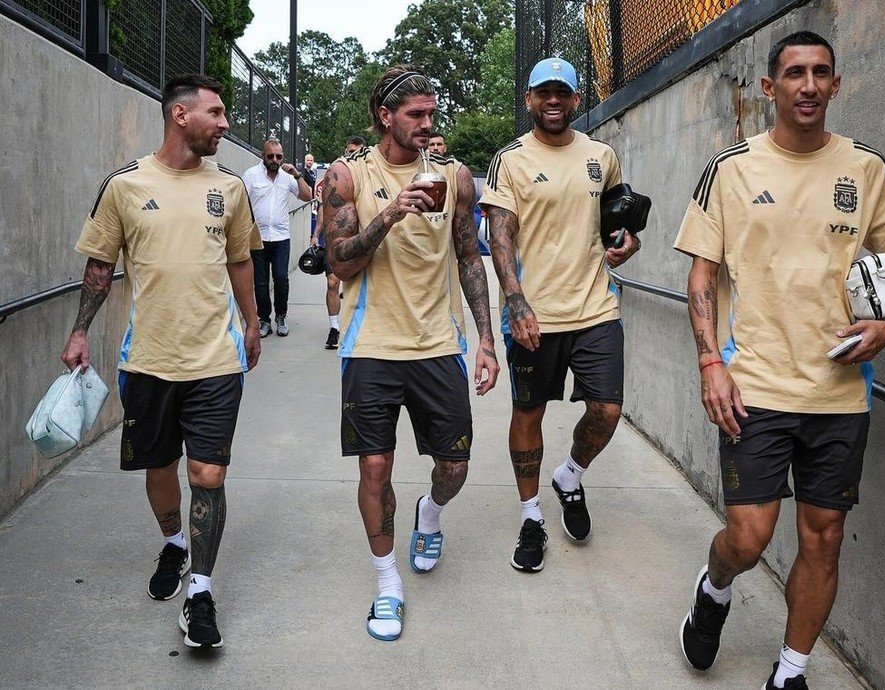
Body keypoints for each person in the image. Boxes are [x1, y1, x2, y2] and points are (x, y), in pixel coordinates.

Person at [673, 32, 885, 689]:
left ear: (836, 85)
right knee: (749, 539)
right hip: (753, 384)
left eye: (820, 73)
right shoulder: (731, 169)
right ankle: (716, 585)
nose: (808, 85)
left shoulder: (865, 169)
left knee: (824, 540)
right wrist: (710, 366)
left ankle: (790, 672)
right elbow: (701, 277)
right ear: (769, 88)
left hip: (839, 392)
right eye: (794, 74)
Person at [61, 73, 263, 648]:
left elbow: (240, 261)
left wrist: (251, 322)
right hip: (147, 360)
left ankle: (201, 589)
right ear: (181, 116)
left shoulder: (229, 187)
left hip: (216, 360)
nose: (225, 123)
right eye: (216, 113)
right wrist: (80, 332)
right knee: (159, 470)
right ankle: (174, 543)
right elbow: (99, 265)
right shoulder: (125, 185)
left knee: (209, 473)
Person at [320, 65, 499, 641]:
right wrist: (391, 213)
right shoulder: (348, 177)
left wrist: (487, 340)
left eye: (431, 114)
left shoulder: (456, 177)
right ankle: (387, 580)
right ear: (385, 116)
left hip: (437, 345)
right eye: (415, 115)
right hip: (370, 346)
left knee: (455, 467)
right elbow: (340, 263)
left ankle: (431, 514)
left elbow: (471, 258)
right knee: (375, 466)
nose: (427, 124)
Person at [480, 57, 641, 573]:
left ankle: (570, 475)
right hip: (535, 315)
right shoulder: (510, 160)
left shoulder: (602, 155)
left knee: (607, 412)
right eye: (543, 93)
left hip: (596, 307)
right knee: (528, 414)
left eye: (563, 94)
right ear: (529, 99)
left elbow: (617, 217)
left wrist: (627, 240)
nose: (553, 101)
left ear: (576, 100)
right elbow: (499, 236)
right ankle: (532, 516)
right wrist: (516, 301)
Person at [242, 138, 313, 337]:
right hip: (258, 238)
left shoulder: (287, 177)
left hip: (281, 237)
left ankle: (281, 316)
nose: (275, 160)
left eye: (279, 156)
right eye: (270, 156)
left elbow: (308, 196)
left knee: (281, 279)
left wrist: (298, 175)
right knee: (261, 282)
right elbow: (240, 202)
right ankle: (264, 320)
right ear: (262, 156)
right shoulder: (251, 175)